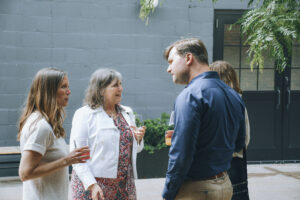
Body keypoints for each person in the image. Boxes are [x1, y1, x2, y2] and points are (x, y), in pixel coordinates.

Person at [162, 38, 246, 200]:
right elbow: (238, 144)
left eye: (172, 61)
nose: (169, 69)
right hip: (225, 186)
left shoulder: (190, 96)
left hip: (196, 189)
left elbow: (181, 154)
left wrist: (168, 192)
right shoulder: (234, 95)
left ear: (188, 58)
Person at [70, 68, 146, 200]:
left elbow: (135, 150)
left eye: (121, 84)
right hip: (93, 185)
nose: (120, 88)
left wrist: (138, 139)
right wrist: (92, 185)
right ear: (101, 90)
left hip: (123, 185)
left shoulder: (127, 112)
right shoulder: (84, 114)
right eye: (115, 85)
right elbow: (77, 157)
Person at [18, 68, 90, 200]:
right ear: (49, 91)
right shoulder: (41, 127)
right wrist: (66, 160)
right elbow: (25, 173)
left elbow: (49, 155)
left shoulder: (48, 123)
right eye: (63, 87)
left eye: (68, 87)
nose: (69, 92)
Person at [210, 60, 250, 200]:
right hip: (235, 157)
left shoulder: (210, 100)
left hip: (215, 158)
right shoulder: (238, 99)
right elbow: (246, 135)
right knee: (237, 194)